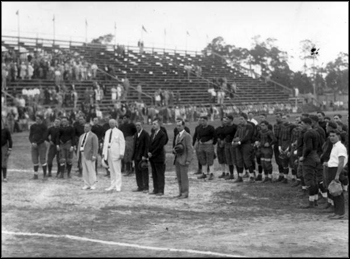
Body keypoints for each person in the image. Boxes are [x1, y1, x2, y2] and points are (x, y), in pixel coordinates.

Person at [323, 130, 348, 219]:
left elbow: (341, 162)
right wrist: (328, 163)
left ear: (338, 136)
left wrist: (337, 175)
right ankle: (336, 211)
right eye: (330, 136)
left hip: (336, 170)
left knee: (337, 192)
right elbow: (334, 160)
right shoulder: (334, 146)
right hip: (331, 169)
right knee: (333, 192)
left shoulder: (340, 147)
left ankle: (340, 213)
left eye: (333, 136)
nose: (331, 138)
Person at [299, 118, 320, 208]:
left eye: (302, 123)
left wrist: (303, 156)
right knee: (314, 179)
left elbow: (308, 147)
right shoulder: (316, 132)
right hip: (315, 157)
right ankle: (315, 200)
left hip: (309, 158)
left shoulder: (308, 133)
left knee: (309, 180)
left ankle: (311, 202)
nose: (301, 125)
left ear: (307, 124)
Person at [232, 113, 256, 183]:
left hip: (246, 145)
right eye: (239, 119)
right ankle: (240, 177)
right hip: (239, 145)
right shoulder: (239, 126)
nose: (240, 120)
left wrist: (239, 142)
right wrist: (233, 141)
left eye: (242, 119)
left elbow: (247, 136)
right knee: (239, 161)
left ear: (245, 119)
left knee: (247, 161)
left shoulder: (249, 126)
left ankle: (252, 176)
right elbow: (236, 134)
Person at [103, 119, 125, 192]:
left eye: (113, 123)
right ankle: (112, 185)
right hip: (108, 152)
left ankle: (118, 185)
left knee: (117, 170)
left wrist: (121, 153)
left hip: (116, 153)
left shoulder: (119, 132)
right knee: (111, 170)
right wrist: (104, 153)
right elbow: (105, 143)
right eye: (110, 123)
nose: (111, 124)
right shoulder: (107, 132)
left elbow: (122, 143)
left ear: (115, 124)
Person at [173, 120, 194, 199]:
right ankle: (180, 192)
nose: (178, 127)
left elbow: (190, 149)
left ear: (183, 126)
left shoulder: (187, 136)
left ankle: (185, 193)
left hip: (184, 159)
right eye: (177, 126)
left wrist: (188, 160)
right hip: (178, 159)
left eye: (179, 126)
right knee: (179, 177)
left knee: (184, 177)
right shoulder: (177, 136)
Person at [148, 118, 167, 196]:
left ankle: (160, 190)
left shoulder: (162, 134)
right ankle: (155, 189)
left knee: (160, 174)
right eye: (152, 124)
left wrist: (152, 153)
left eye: (155, 124)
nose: (153, 125)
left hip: (158, 157)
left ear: (159, 125)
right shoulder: (152, 134)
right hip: (152, 157)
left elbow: (160, 146)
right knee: (154, 174)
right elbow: (150, 144)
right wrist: (148, 152)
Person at [78, 123, 98, 190]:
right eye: (84, 127)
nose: (85, 128)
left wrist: (94, 155)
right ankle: (87, 184)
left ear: (90, 128)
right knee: (84, 170)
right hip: (82, 154)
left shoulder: (93, 136)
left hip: (89, 154)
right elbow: (79, 146)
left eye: (87, 127)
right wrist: (78, 154)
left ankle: (93, 184)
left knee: (91, 170)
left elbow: (95, 146)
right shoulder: (81, 136)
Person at [277, 114, 296, 184]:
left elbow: (293, 138)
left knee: (292, 162)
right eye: (282, 118)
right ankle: (285, 178)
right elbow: (280, 137)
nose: (283, 119)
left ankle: (294, 177)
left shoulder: (292, 126)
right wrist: (279, 146)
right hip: (283, 144)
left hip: (289, 144)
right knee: (284, 162)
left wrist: (289, 148)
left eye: (285, 118)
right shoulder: (281, 126)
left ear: (288, 118)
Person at [132, 120, 150, 193]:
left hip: (142, 156)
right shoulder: (136, 134)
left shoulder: (145, 134)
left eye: (139, 125)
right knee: (137, 171)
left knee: (144, 171)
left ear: (142, 125)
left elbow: (147, 145)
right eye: (136, 125)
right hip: (136, 156)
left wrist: (145, 155)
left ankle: (146, 187)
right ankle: (140, 186)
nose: (137, 126)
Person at [196, 115, 217, 180]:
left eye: (204, 120)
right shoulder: (199, 128)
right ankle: (204, 173)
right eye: (201, 120)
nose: (202, 122)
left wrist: (212, 143)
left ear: (207, 121)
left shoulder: (211, 128)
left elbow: (215, 136)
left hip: (208, 145)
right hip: (201, 145)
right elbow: (198, 136)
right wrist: (199, 141)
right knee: (202, 159)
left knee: (210, 159)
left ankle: (211, 173)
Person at [29, 115, 48, 180]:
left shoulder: (44, 127)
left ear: (41, 120)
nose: (37, 120)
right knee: (35, 160)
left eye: (38, 119)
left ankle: (45, 176)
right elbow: (30, 136)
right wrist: (32, 142)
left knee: (42, 160)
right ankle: (35, 175)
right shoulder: (32, 126)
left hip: (41, 145)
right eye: (36, 119)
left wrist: (37, 143)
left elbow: (44, 137)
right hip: (34, 145)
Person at [222, 114, 237, 180]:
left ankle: (239, 174)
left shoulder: (235, 127)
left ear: (231, 120)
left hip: (233, 144)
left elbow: (237, 136)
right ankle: (231, 174)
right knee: (229, 160)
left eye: (227, 119)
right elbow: (224, 135)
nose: (225, 120)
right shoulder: (225, 127)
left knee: (234, 159)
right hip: (227, 144)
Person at [273, 113, 284, 180]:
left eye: (278, 117)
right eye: (276, 117)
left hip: (282, 143)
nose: (277, 118)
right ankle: (281, 174)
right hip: (276, 143)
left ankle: (284, 175)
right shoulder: (275, 125)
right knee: (277, 159)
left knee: (282, 159)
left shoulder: (283, 125)